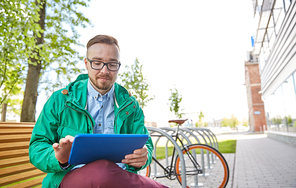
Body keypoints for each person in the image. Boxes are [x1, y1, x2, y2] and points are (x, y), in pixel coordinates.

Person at [29, 35, 168, 188]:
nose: (105, 70)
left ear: (118, 66)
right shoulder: (60, 100)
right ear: (86, 64)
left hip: (119, 179)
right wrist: (59, 158)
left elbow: (145, 144)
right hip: (70, 178)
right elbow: (37, 147)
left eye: (112, 64)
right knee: (102, 170)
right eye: (97, 63)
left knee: (105, 171)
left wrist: (144, 157)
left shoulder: (131, 105)